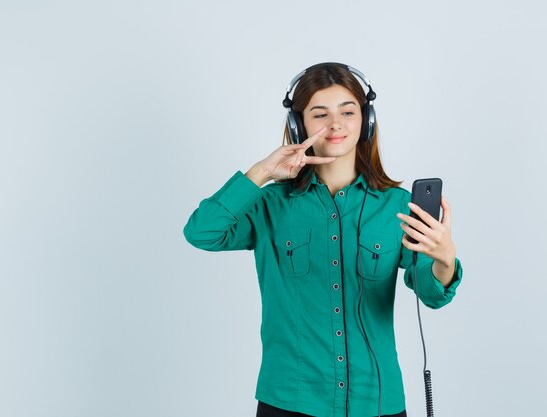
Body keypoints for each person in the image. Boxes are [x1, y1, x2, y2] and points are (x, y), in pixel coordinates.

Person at [183, 63, 462, 417]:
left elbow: (432, 294)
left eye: (348, 111)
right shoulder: (270, 204)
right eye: (320, 114)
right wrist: (262, 172)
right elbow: (201, 232)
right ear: (298, 125)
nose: (336, 124)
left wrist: (444, 258)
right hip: (289, 400)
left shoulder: (398, 206)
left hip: (376, 401)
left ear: (367, 120)